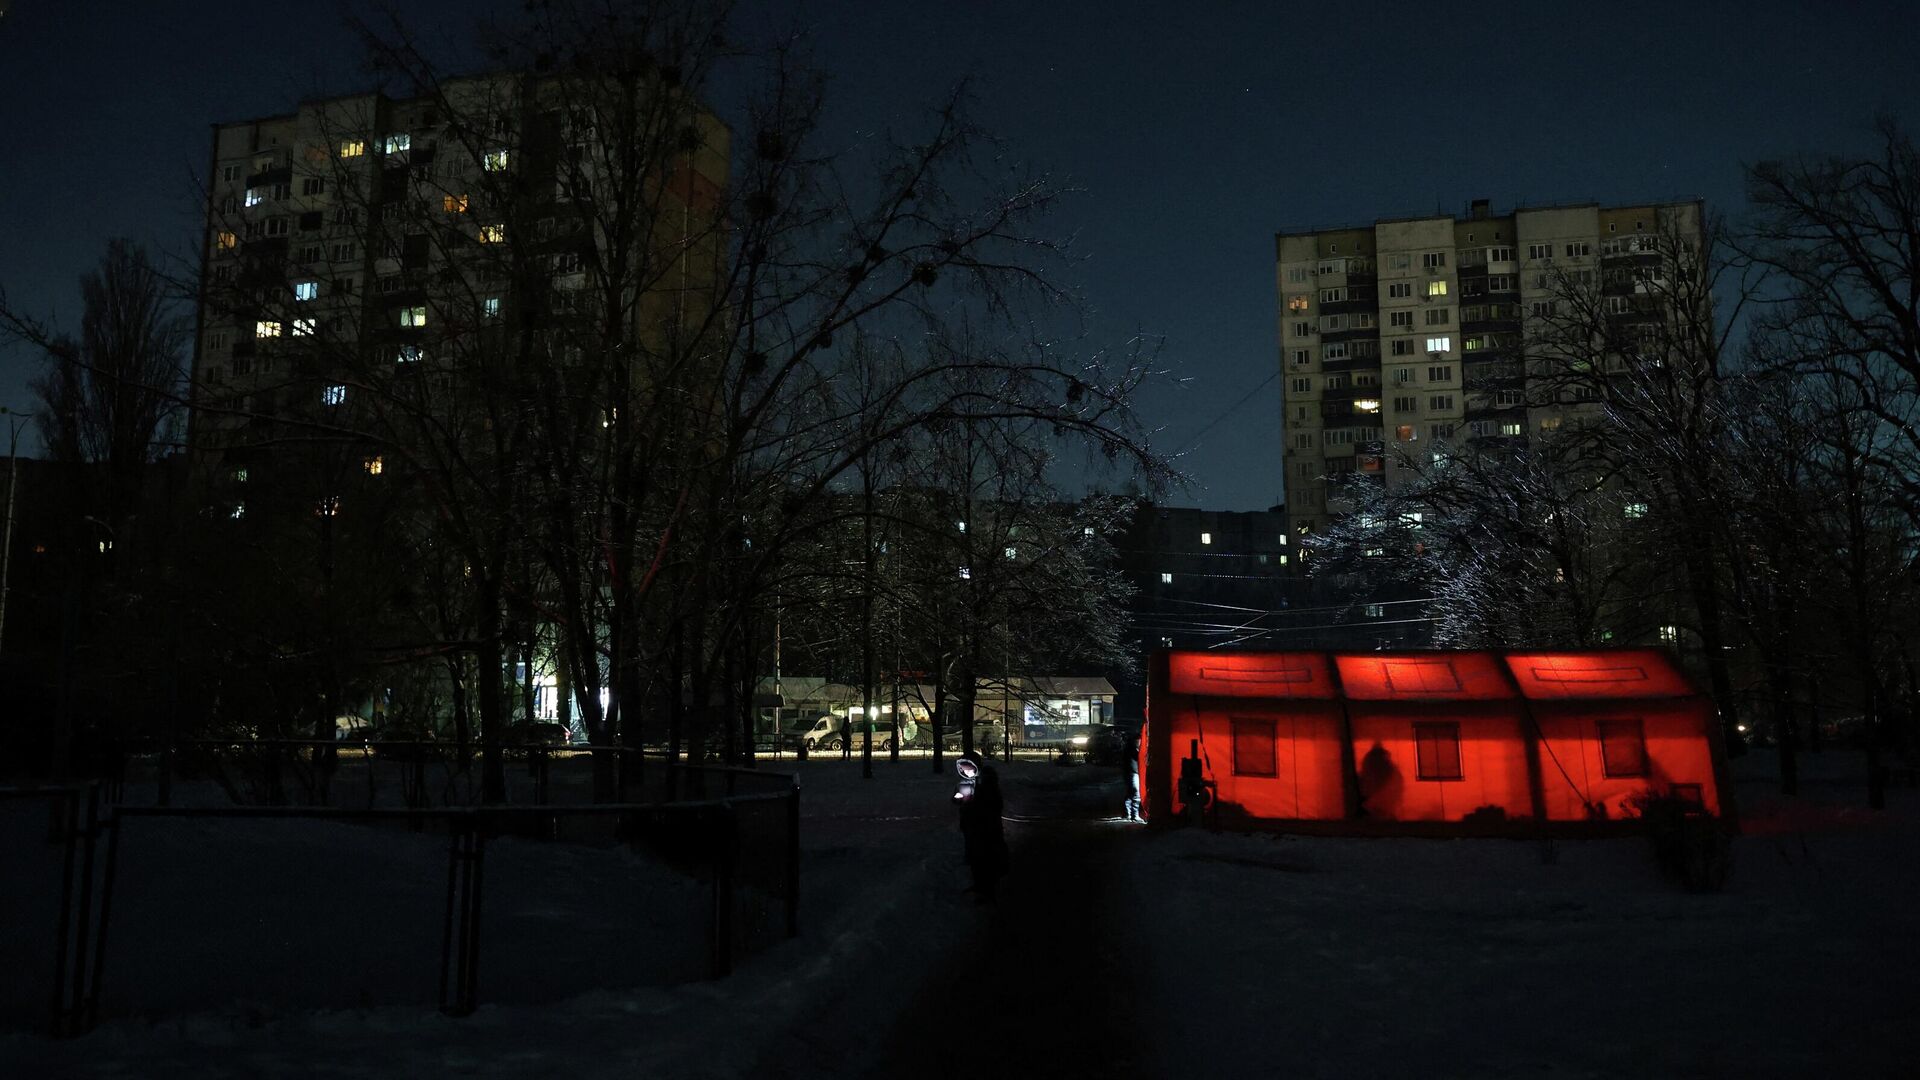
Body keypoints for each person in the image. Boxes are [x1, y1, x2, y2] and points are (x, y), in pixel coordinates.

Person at [954, 755, 1008, 902]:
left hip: (983, 825)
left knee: (984, 856)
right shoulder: (970, 780)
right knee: (977, 856)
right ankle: (982, 886)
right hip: (974, 824)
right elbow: (958, 799)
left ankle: (988, 889)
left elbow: (991, 802)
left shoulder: (984, 779)